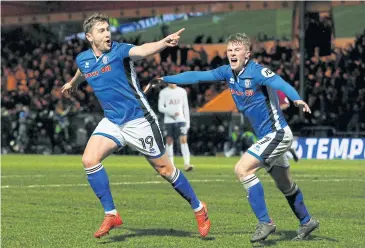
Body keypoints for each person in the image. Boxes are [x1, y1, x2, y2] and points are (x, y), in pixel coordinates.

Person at [148, 33, 319, 243]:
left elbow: (281, 83)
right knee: (285, 185)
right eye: (229, 50)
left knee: (242, 169)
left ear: (247, 55)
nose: (232, 54)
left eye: (237, 50)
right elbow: (197, 76)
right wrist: (164, 79)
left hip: (278, 133)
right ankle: (307, 220)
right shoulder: (227, 72)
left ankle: (265, 222)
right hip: (267, 136)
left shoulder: (257, 71)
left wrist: (296, 99)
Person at [61, 13, 210, 239]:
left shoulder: (120, 51)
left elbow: (142, 50)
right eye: (102, 30)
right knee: (89, 160)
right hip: (112, 121)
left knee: (165, 170)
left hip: (139, 119)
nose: (108, 33)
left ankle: (199, 208)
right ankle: (111, 214)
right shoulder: (83, 58)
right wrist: (72, 83)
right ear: (90, 37)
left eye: (108, 29)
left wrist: (163, 43)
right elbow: (83, 70)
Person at [158, 83, 193, 172]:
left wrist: (187, 122)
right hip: (169, 121)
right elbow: (160, 107)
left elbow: (185, 107)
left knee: (183, 140)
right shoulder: (163, 92)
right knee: (169, 142)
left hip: (181, 120)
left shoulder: (182, 91)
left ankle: (187, 164)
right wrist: (171, 112)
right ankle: (171, 165)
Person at [277, 90, 299, 162]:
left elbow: (286, 104)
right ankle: (290, 149)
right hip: (268, 120)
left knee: (278, 139)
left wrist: (276, 109)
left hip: (278, 120)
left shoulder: (279, 92)